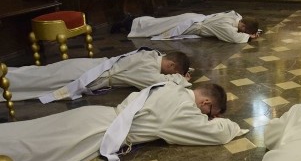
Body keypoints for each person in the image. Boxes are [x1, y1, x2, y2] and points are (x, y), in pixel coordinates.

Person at [0, 82, 243, 161]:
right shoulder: (181, 110)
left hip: (95, 115)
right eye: (211, 113)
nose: (208, 118)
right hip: (97, 135)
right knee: (33, 151)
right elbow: (217, 134)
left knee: (34, 131)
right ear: (206, 102)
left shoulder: (171, 86)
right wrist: (229, 124)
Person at [6, 49, 191, 102]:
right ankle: (6, 81)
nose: (168, 74)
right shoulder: (148, 65)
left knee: (42, 75)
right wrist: (180, 79)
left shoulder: (152, 54)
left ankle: (8, 78)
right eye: (171, 71)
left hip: (90, 67)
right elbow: (157, 83)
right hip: (85, 74)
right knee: (41, 79)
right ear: (171, 64)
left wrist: (180, 74)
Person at [127, 10, 260, 43]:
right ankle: (131, 24)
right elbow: (234, 38)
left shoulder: (234, 15)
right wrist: (249, 37)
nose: (243, 31)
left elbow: (240, 26)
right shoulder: (226, 26)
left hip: (193, 17)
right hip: (190, 25)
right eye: (244, 30)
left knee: (162, 22)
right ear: (243, 26)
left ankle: (135, 22)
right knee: (159, 27)